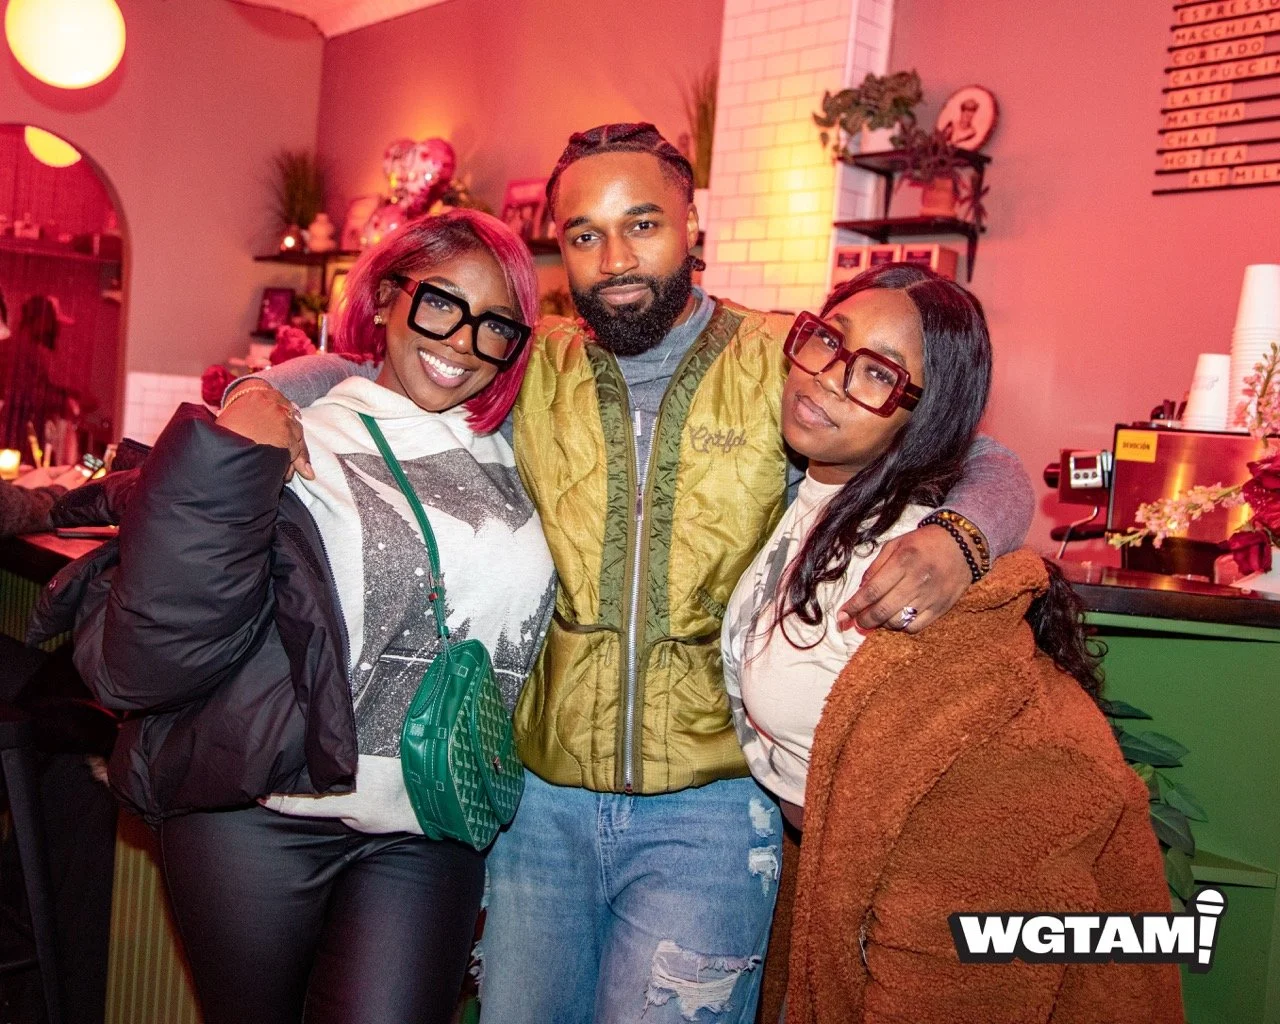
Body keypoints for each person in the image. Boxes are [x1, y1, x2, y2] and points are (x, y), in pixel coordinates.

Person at [239, 123, 1036, 1023]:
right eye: (584, 235)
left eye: (643, 224)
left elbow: (977, 451)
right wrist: (255, 393)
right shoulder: (529, 363)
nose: (614, 258)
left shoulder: (780, 356)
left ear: (695, 226)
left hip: (711, 815)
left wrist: (962, 538)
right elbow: (364, 367)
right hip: (537, 810)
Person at [50, 210, 555, 1024]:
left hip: (430, 819)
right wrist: (244, 417)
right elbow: (159, 634)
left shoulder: (523, 447)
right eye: (439, 304)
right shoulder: (302, 430)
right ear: (388, 298)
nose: (461, 342)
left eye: (495, 325)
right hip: (263, 815)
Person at [724, 264, 1182, 1023]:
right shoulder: (810, 489)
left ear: (922, 413)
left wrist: (961, 537)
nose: (830, 379)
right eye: (827, 343)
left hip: (915, 927)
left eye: (877, 373)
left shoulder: (907, 565)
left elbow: (978, 827)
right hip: (836, 890)